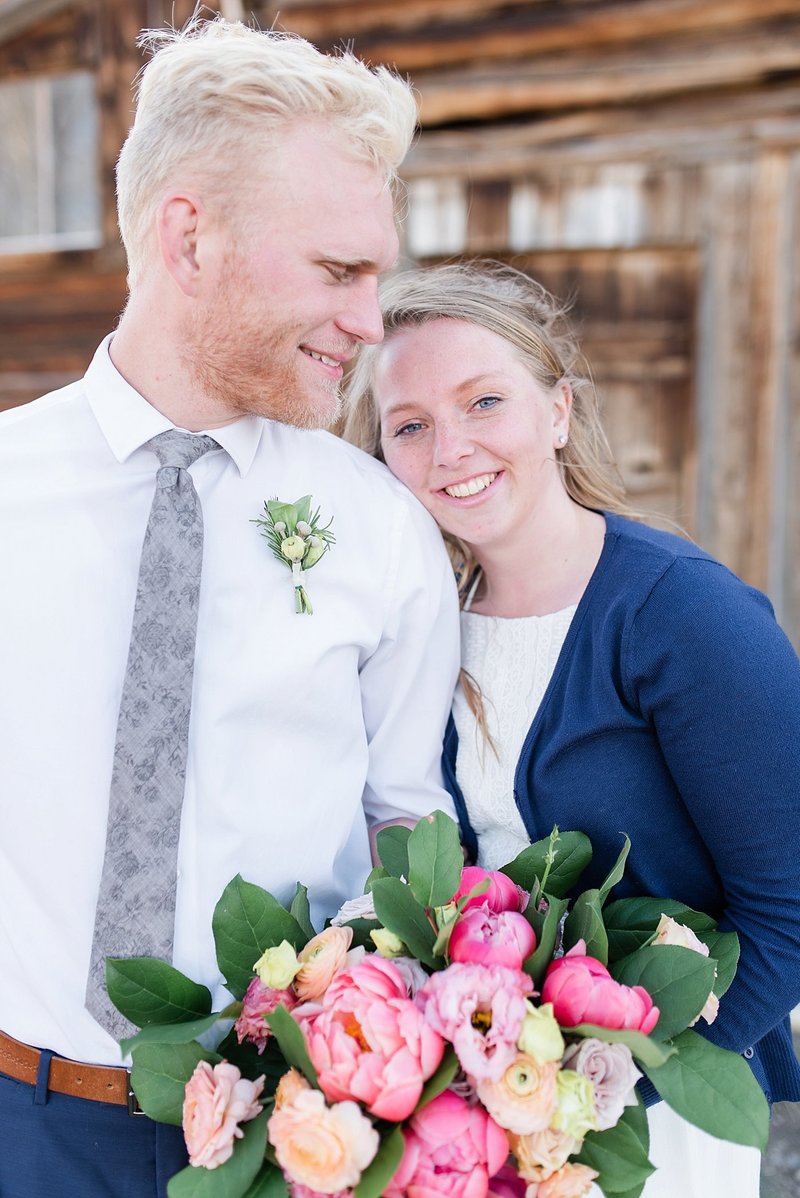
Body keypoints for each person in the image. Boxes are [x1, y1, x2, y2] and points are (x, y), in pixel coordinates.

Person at [0, 17, 460, 1196]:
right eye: (338, 271)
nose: (369, 321)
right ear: (189, 237)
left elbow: (407, 826)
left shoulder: (379, 529)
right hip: (21, 1122)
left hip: (291, 1136)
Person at [344, 258, 800, 1198]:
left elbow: (790, 910)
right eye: (410, 425)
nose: (450, 449)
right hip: (479, 1125)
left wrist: (600, 1093)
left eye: (484, 402)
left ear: (558, 412)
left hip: (649, 1126)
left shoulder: (681, 614)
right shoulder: (423, 624)